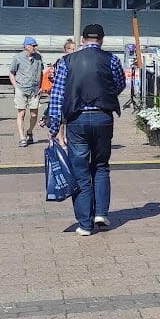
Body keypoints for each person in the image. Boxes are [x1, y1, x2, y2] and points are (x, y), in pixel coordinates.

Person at [46, 24, 126, 235]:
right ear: (102, 39)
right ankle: (101, 212)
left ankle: (85, 224)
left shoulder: (66, 61)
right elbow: (119, 85)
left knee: (80, 171)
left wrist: (54, 125)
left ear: (82, 39)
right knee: (101, 165)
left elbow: (57, 94)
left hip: (77, 119)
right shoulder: (112, 60)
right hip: (102, 117)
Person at [10, 37, 45, 147]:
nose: (35, 47)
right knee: (22, 113)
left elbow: (42, 72)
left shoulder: (38, 57)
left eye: (36, 45)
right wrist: (16, 87)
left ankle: (29, 131)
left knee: (34, 114)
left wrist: (42, 86)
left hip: (34, 90)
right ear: (26, 46)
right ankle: (21, 137)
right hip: (21, 88)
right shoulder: (17, 58)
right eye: (33, 45)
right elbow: (12, 73)